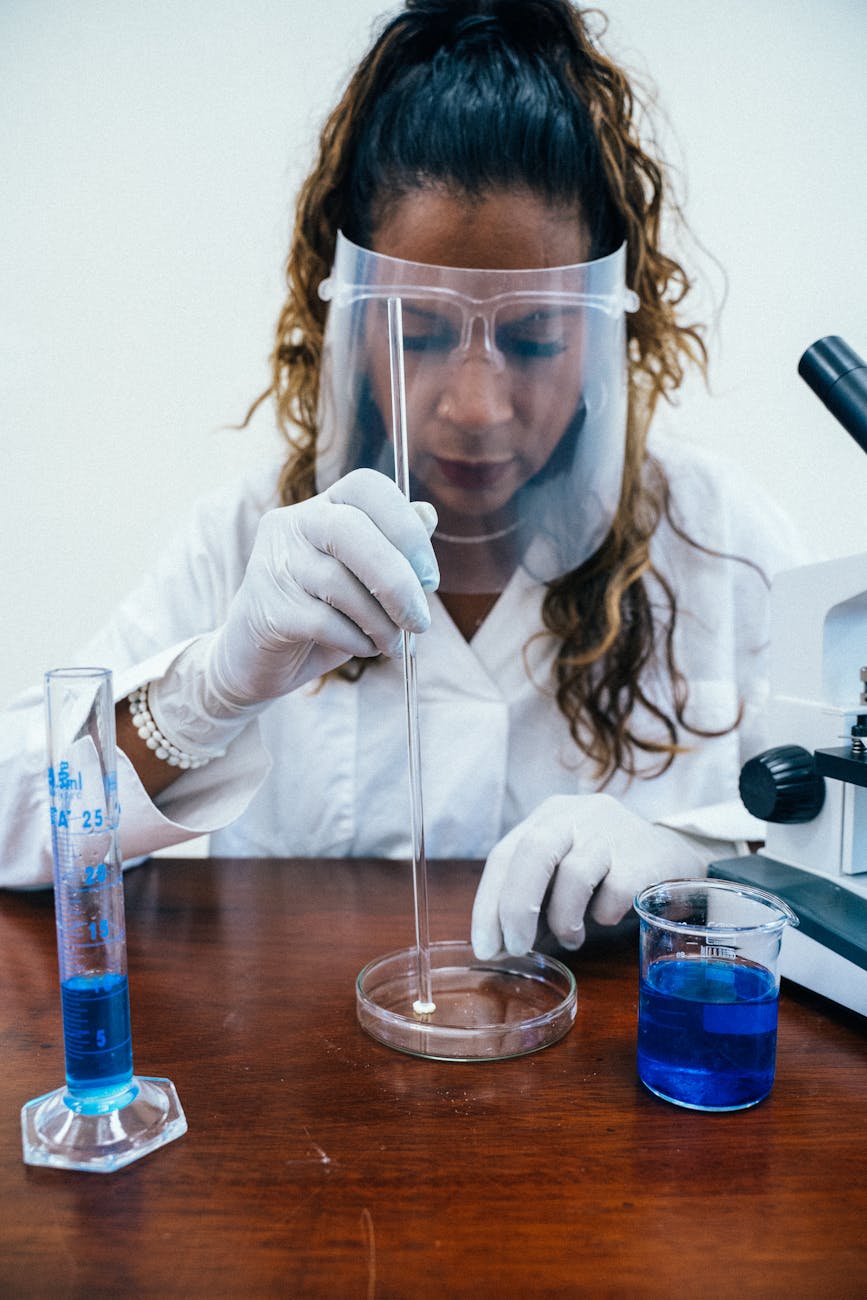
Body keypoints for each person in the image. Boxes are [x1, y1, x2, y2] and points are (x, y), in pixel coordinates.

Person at [0, 0, 806, 962]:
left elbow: (845, 846)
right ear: (342, 315)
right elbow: (14, 821)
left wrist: (701, 857)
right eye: (417, 332)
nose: (473, 403)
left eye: (534, 336)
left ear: (604, 328)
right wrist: (205, 695)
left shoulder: (723, 544)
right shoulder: (249, 537)